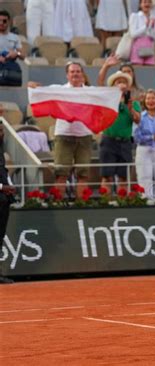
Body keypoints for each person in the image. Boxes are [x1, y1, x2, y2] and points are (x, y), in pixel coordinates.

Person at [53, 62, 93, 198]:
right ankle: (58, 205)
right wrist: (34, 87)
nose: (75, 74)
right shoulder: (59, 90)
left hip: (84, 136)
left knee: (83, 174)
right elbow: (42, 94)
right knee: (61, 173)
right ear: (67, 75)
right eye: (72, 72)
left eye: (78, 71)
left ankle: (82, 205)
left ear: (82, 74)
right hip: (64, 135)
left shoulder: (90, 91)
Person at [100, 71, 141, 194]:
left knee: (123, 177)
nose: (122, 84)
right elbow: (100, 84)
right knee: (107, 176)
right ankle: (104, 203)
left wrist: (131, 108)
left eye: (124, 82)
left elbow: (138, 120)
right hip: (108, 141)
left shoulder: (133, 103)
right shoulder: (107, 101)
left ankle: (122, 203)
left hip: (125, 143)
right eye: (118, 82)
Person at [0, 122, 15, 284]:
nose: (2, 133)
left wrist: (9, 186)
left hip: (3, 200)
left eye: (2, 130)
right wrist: (2, 187)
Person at [129, 0, 155, 66]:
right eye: (145, 2)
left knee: (149, 70)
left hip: (149, 47)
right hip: (137, 48)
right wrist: (145, 26)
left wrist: (151, 28)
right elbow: (133, 34)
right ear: (140, 4)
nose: (147, 4)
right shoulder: (135, 16)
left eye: (149, 2)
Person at [0, 10, 24, 87]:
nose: (1, 23)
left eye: (4, 21)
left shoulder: (15, 37)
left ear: (9, 22)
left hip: (10, 66)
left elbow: (23, 55)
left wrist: (16, 53)